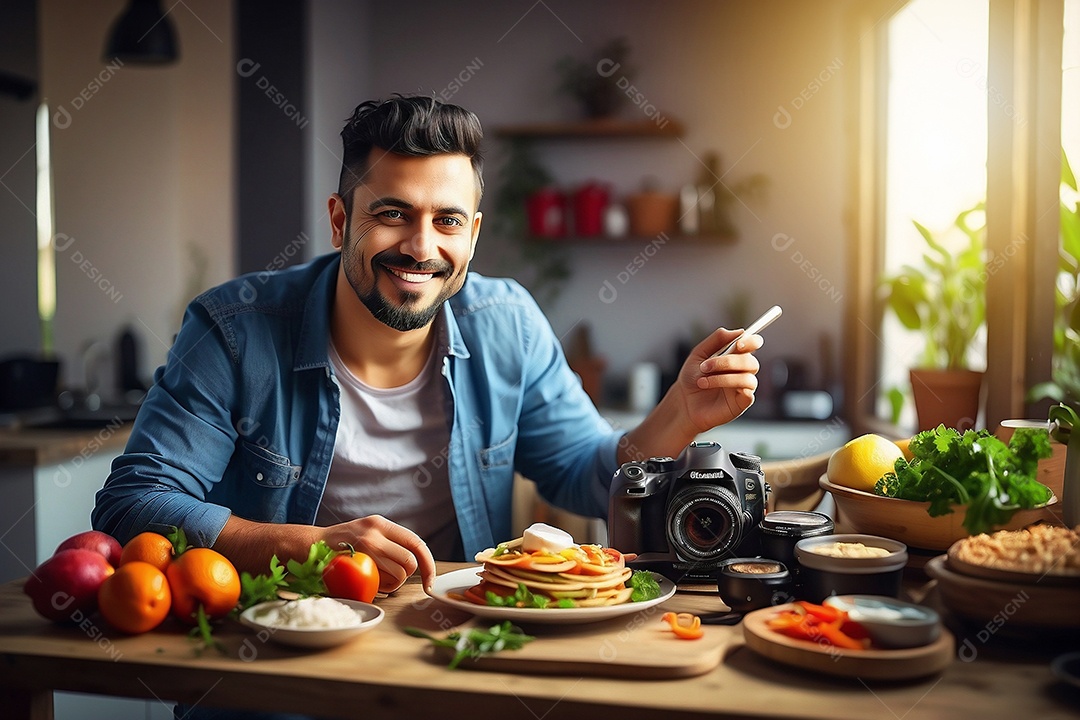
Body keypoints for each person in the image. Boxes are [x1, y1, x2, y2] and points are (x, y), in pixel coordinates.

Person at [91, 94, 762, 598]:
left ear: (471, 234)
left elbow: (590, 477)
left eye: (445, 221)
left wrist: (680, 413)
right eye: (391, 214)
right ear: (339, 220)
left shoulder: (508, 323)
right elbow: (135, 504)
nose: (420, 247)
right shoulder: (233, 330)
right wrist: (308, 548)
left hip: (451, 659)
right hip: (277, 666)